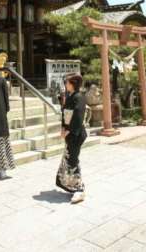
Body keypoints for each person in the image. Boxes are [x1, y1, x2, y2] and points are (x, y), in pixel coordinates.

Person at [56, 73, 87, 204]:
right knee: (70, 158)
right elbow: (65, 113)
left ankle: (79, 189)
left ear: (73, 84)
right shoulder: (70, 96)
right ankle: (72, 186)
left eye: (67, 82)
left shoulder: (79, 97)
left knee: (72, 159)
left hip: (76, 133)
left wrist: (68, 130)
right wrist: (63, 128)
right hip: (70, 133)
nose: (65, 84)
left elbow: (78, 117)